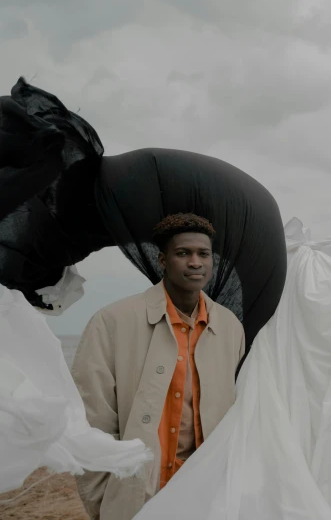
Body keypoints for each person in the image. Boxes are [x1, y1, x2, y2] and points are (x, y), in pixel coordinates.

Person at [71, 213, 246, 520]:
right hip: (142, 498)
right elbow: (91, 421)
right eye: (183, 253)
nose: (195, 263)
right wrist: (105, 503)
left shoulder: (230, 327)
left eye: (203, 254)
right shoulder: (112, 321)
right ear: (163, 260)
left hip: (208, 495)